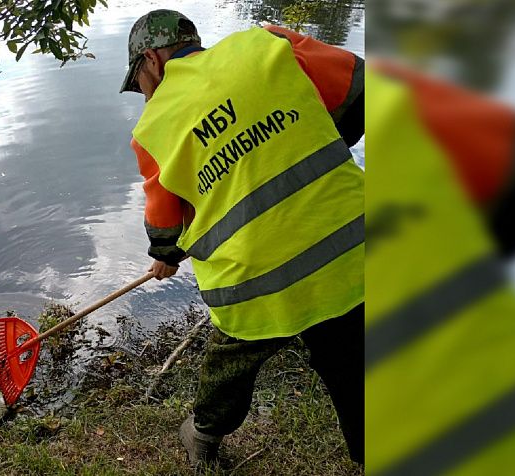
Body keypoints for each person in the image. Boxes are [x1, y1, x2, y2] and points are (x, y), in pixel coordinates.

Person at [119, 10, 365, 468]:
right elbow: (360, 92)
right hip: (351, 249)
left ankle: (202, 434)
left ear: (151, 59)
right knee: (355, 366)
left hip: (254, 285)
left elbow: (166, 227)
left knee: (229, 364)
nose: (145, 94)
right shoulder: (267, 44)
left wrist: (166, 255)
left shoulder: (152, 129)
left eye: (140, 82)